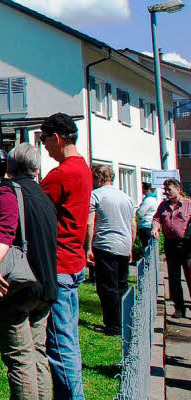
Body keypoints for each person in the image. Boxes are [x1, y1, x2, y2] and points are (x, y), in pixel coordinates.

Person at [0, 142, 58, 400]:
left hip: (19, 286)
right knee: (37, 354)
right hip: (45, 285)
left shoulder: (9, 191)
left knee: (20, 359)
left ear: (10, 165)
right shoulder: (44, 197)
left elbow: (5, 228)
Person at [39, 112, 91, 400]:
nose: (44, 146)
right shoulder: (82, 168)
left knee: (60, 346)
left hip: (59, 263)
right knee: (69, 339)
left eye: (45, 140)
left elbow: (37, 211)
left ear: (58, 138)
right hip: (74, 262)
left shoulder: (61, 175)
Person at [86, 165, 135, 336]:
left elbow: (90, 223)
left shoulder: (96, 195)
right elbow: (132, 225)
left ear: (99, 178)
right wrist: (130, 247)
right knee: (121, 285)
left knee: (107, 287)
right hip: (123, 245)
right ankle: (124, 322)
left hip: (105, 244)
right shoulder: (126, 197)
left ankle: (113, 326)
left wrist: (89, 247)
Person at [151, 178, 191, 317]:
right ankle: (179, 308)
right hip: (171, 245)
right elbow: (157, 219)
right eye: (165, 190)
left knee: (190, 276)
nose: (166, 192)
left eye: (169, 190)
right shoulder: (163, 205)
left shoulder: (188, 204)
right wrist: (155, 228)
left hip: (187, 246)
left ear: (178, 189)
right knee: (174, 277)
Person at [136, 182, 160, 247]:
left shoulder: (148, 200)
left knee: (147, 247)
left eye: (143, 188)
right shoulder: (154, 199)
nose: (142, 190)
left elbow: (140, 214)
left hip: (146, 225)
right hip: (150, 225)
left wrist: (137, 211)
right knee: (151, 247)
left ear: (148, 189)